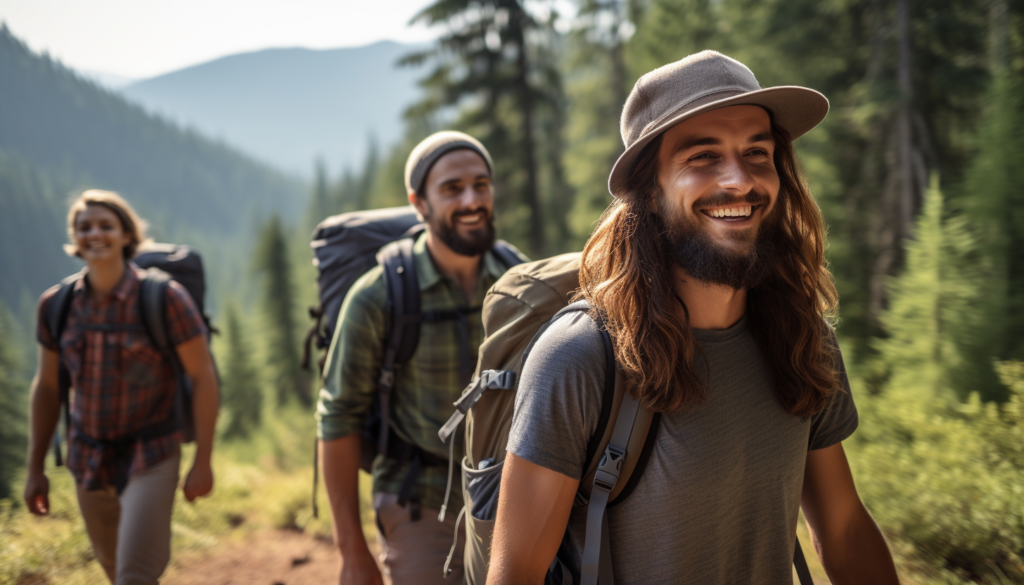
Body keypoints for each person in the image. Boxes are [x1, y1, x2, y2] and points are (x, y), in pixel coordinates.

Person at [489, 51, 901, 584]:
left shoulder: (801, 339)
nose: (740, 180)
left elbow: (843, 531)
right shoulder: (582, 356)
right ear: (648, 190)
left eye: (758, 152)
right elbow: (517, 571)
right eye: (703, 156)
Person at [317, 131, 527, 585]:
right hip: (419, 496)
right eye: (452, 188)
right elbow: (337, 419)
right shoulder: (379, 296)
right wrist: (351, 551)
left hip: (510, 493)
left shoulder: (519, 280)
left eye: (481, 184)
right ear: (420, 203)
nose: (472, 199)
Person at [23, 190, 219, 585]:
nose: (95, 234)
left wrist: (203, 459)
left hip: (152, 454)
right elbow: (47, 388)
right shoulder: (56, 306)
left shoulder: (164, 298)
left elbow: (203, 377)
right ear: (73, 237)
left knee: (134, 577)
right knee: (116, 572)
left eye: (105, 226)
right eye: (84, 227)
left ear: (127, 235)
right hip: (87, 458)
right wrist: (35, 468)